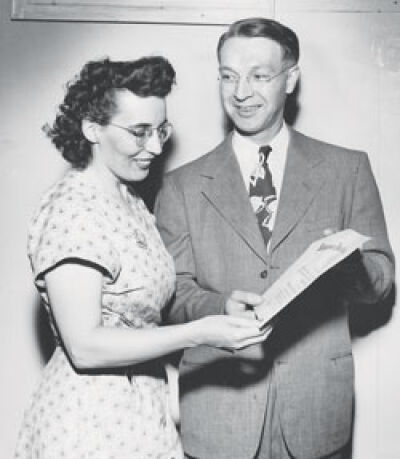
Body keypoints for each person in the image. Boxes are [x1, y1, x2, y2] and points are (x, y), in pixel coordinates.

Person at [154, 18, 395, 459]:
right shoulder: (181, 186)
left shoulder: (348, 169)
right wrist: (217, 307)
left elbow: (381, 283)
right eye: (229, 76)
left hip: (318, 412)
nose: (241, 92)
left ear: (292, 79)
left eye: (259, 75)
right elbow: (171, 295)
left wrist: (349, 269)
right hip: (218, 409)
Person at [14, 56, 269, 459]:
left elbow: (144, 311)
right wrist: (200, 332)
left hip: (140, 414)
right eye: (139, 132)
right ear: (92, 129)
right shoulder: (74, 209)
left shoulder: (128, 200)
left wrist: (222, 307)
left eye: (161, 130)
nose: (154, 147)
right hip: (88, 425)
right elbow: (84, 345)